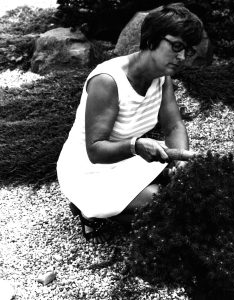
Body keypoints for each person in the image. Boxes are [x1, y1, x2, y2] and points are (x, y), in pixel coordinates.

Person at [57, 3, 204, 243]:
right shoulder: (108, 80)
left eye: (187, 50)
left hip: (126, 158)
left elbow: (174, 126)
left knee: (187, 187)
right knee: (167, 205)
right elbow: (95, 150)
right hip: (88, 169)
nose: (182, 57)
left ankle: (113, 207)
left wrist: (181, 161)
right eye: (176, 47)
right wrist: (136, 145)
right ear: (151, 40)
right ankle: (89, 209)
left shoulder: (162, 77)